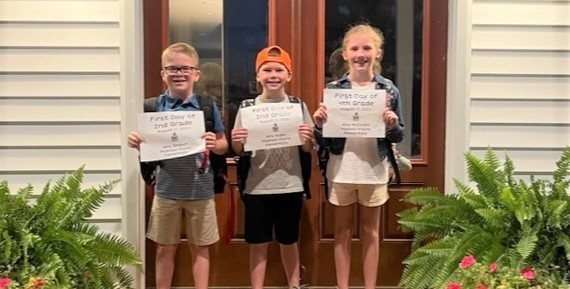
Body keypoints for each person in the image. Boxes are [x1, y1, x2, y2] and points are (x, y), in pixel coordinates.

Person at [127, 42, 228, 289]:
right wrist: (136, 142)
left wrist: (216, 144)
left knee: (201, 248)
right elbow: (147, 147)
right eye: (172, 68)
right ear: (163, 74)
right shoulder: (152, 106)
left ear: (196, 73)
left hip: (201, 189)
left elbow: (224, 144)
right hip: (166, 189)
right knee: (164, 247)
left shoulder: (206, 105)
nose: (178, 74)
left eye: (185, 68)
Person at [313, 24, 405, 289]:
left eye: (367, 48)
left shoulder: (389, 90)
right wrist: (319, 125)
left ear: (377, 52)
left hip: (374, 169)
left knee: (371, 233)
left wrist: (391, 124)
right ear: (344, 54)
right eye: (354, 48)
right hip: (341, 169)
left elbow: (398, 136)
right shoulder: (333, 89)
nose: (360, 54)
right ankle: (343, 286)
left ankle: (369, 286)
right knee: (341, 233)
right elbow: (325, 139)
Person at [230, 45, 314, 289]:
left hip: (290, 184)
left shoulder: (298, 106)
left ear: (289, 75)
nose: (273, 74)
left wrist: (307, 137)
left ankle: (294, 285)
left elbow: (308, 149)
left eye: (279, 69)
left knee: (289, 241)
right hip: (257, 186)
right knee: (258, 244)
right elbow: (240, 150)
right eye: (267, 69)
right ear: (258, 76)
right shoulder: (247, 108)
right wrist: (237, 142)